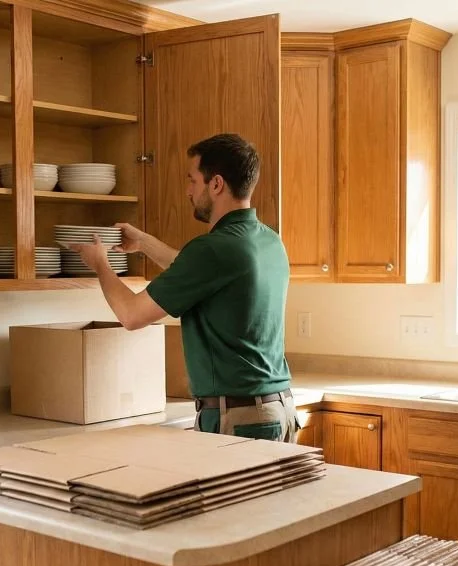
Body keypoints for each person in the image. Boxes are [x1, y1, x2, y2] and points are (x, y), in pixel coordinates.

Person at [68, 133, 297, 442]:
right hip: (277, 410)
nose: (188, 191)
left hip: (239, 418)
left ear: (216, 184)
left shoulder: (212, 249)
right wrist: (144, 243)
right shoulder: (268, 240)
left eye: (192, 180)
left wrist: (100, 265)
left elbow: (131, 315)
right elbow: (196, 272)